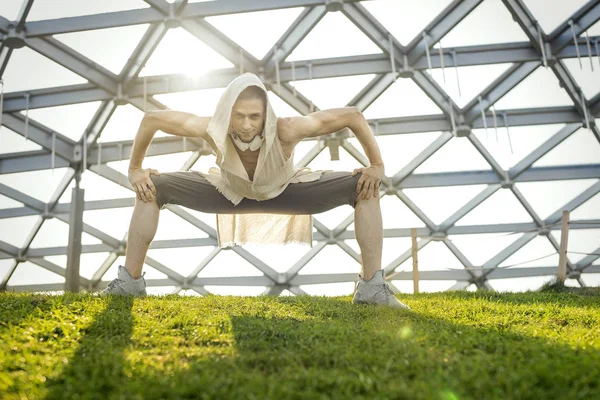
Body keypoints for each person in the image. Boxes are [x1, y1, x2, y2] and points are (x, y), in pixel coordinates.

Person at [100, 73, 409, 309]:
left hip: (286, 190)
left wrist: (376, 165)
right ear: (226, 112)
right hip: (226, 191)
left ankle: (371, 288)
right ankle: (130, 282)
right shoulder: (211, 128)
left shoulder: (287, 129)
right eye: (239, 115)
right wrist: (135, 169)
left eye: (254, 116)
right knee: (150, 187)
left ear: (265, 114)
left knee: (365, 186)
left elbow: (352, 116)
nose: (246, 125)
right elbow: (152, 119)